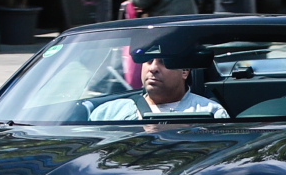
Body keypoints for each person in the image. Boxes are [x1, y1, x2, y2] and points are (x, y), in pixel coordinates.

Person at [88, 44, 229, 119]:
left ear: (185, 71)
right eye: (149, 61)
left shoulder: (211, 113)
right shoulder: (107, 113)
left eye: (163, 62)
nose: (153, 68)